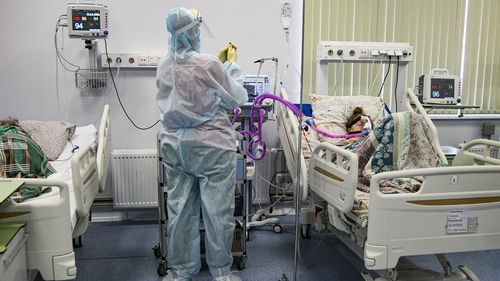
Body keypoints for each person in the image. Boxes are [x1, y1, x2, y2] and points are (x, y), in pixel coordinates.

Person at [156, 7, 248, 281]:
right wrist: (231, 69)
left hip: (177, 148)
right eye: (197, 30)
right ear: (193, 32)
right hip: (212, 148)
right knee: (218, 213)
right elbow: (236, 98)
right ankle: (221, 272)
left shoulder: (164, 64)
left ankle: (181, 271)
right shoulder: (209, 64)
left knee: (180, 211)